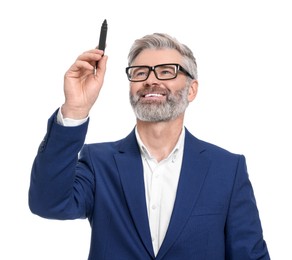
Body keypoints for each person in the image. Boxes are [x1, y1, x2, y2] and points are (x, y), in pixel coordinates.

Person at [28, 33, 270, 259]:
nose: (151, 80)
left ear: (192, 90)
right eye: (140, 72)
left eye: (167, 71)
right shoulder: (98, 162)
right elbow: (48, 203)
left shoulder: (226, 169)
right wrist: (76, 109)